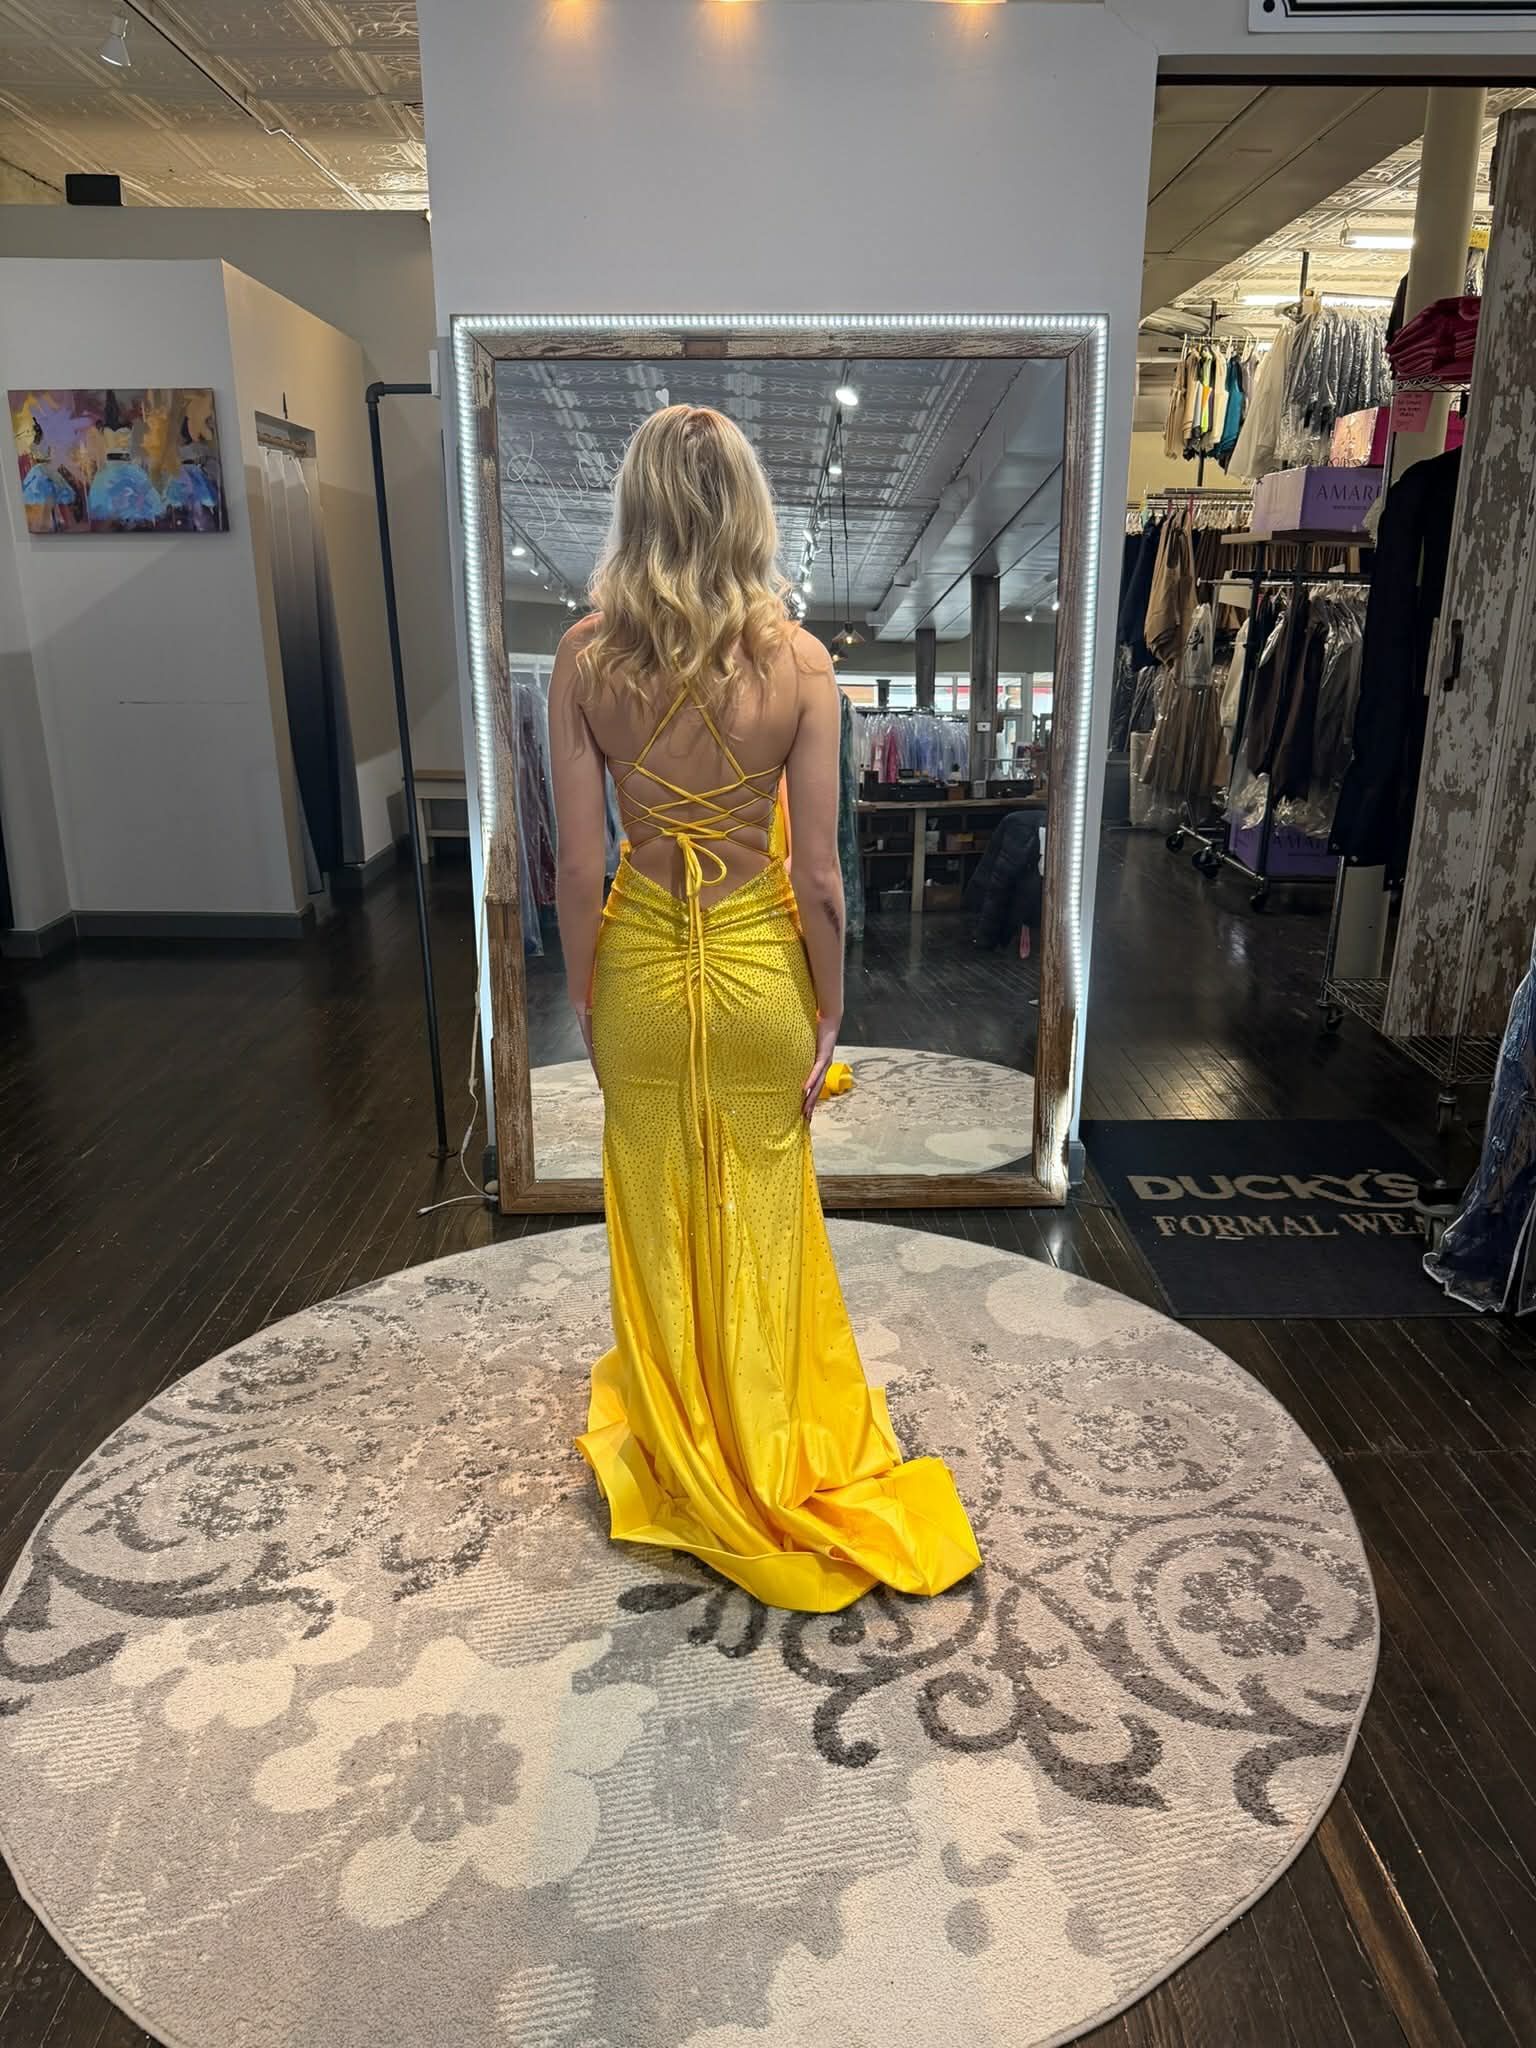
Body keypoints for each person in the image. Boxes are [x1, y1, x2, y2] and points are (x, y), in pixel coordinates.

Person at [547, 404, 980, 1614]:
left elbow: (578, 871)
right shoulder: (800, 666)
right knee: (767, 1210)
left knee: (655, 1204)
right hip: (755, 973)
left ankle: (684, 1436)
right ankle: (765, 1426)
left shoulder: (584, 659)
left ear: (635, 509)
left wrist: (587, 992)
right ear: (750, 513)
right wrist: (831, 1011)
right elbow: (824, 880)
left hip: (638, 967)